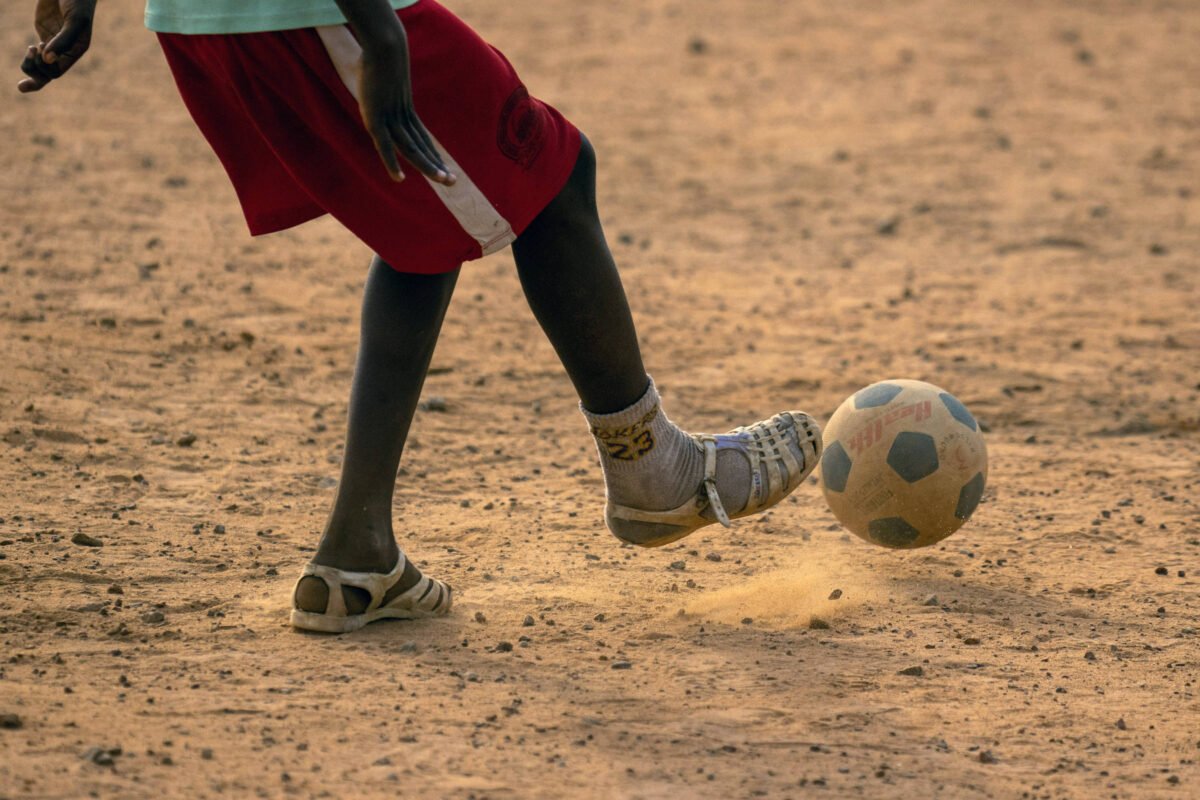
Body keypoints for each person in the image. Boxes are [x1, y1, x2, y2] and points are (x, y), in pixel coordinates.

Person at [17, 0, 822, 633]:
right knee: (555, 172)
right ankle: (655, 473)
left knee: (419, 222)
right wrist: (379, 32)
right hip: (316, 10)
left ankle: (357, 552)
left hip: (211, 17)